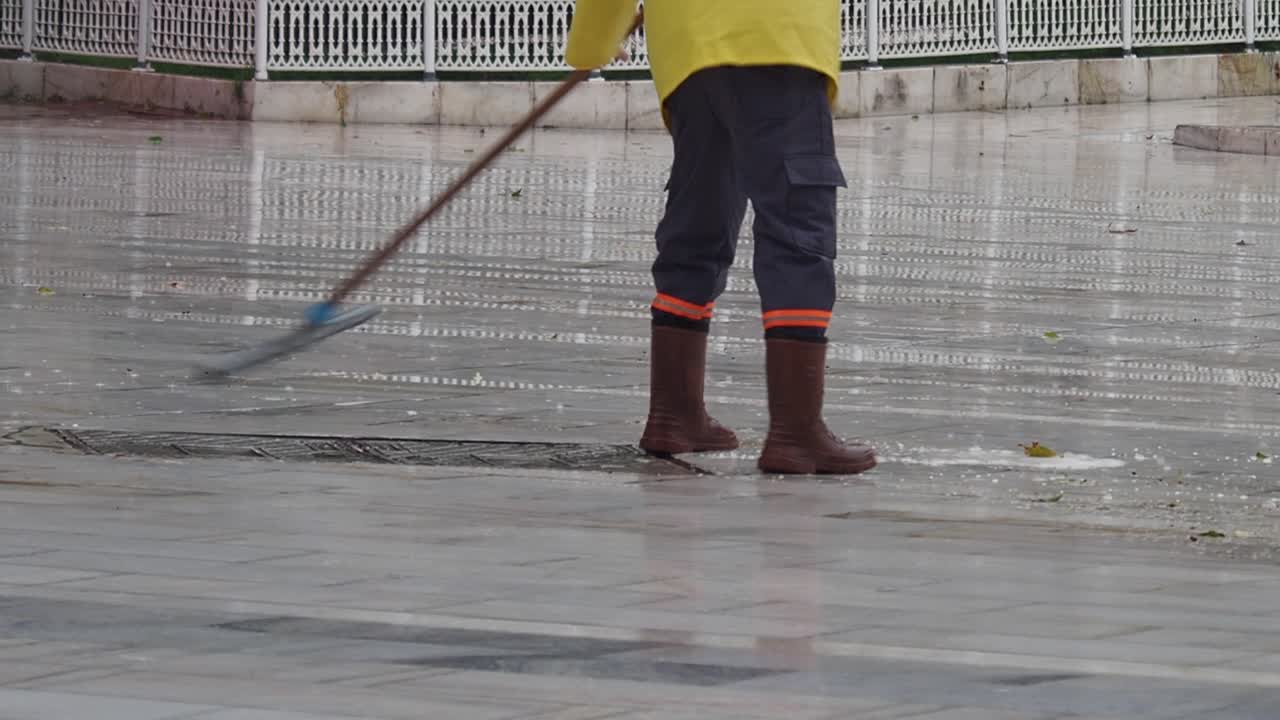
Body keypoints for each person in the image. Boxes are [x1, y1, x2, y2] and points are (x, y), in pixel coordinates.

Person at [565, 1, 875, 475]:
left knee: (699, 218)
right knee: (797, 223)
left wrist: (593, 41)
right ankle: (796, 434)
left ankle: (674, 415)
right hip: (775, 36)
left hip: (687, 50)